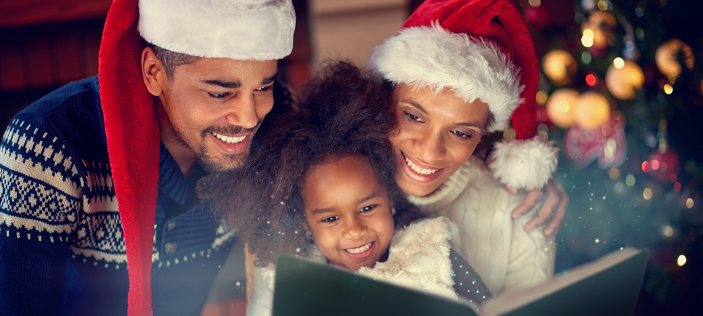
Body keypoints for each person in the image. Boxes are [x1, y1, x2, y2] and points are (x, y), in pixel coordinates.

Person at [0, 0, 295, 315]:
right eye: (220, 93)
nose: (249, 118)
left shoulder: (275, 130)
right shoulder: (47, 146)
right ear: (154, 73)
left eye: (263, 87)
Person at [198, 62, 492, 316]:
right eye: (329, 218)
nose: (353, 230)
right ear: (305, 219)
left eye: (367, 208)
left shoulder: (433, 253)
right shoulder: (288, 280)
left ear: (390, 197)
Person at [368, 0, 567, 295]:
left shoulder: (519, 215)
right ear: (385, 101)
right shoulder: (336, 181)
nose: (430, 151)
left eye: (460, 133)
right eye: (413, 116)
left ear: (482, 136)